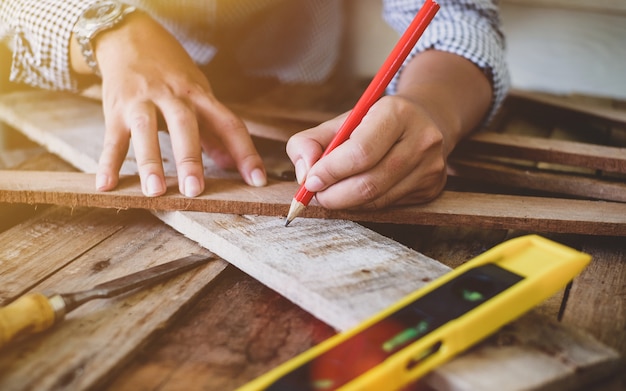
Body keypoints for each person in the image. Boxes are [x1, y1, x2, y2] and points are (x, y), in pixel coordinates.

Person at [0, 0, 509, 210]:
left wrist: (431, 108)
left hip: (302, 90)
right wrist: (106, 31)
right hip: (76, 91)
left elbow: (457, 18)